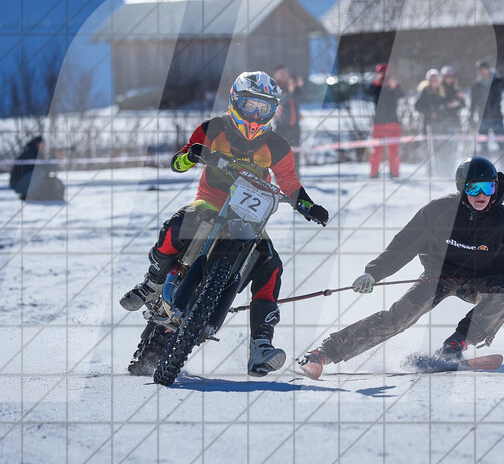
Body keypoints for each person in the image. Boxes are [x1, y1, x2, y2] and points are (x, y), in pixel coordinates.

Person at [119, 71, 330, 377]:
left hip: (250, 217)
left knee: (271, 265)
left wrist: (310, 207)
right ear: (235, 102)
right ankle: (153, 281)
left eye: (263, 107)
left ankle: (261, 346)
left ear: (273, 110)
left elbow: (291, 185)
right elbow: (178, 162)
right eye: (250, 105)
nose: (256, 114)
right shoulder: (214, 129)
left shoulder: (278, 146)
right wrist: (191, 155)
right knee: (178, 224)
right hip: (211, 201)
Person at [295, 157, 504, 379]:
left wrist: (499, 284)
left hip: (483, 280)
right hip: (439, 277)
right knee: (398, 318)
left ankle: (454, 346)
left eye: (488, 187)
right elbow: (403, 246)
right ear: (461, 188)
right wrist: (373, 272)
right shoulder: (438, 212)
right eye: (473, 187)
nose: (482, 194)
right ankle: (323, 354)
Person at [366, 63, 404, 178]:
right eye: (381, 73)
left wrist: (393, 85)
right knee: (376, 151)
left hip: (393, 123)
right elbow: (367, 93)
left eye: (385, 73)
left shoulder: (392, 86)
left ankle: (394, 173)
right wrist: (375, 82)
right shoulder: (376, 87)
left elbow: (401, 95)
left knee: (394, 151)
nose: (383, 76)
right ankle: (374, 173)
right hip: (378, 123)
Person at [9, 135, 65, 202]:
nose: (44, 147)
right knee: (41, 172)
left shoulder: (37, 153)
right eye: (42, 144)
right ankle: (31, 195)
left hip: (25, 182)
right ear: (38, 144)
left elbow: (48, 169)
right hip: (19, 184)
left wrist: (56, 159)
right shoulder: (30, 153)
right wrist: (54, 157)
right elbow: (43, 168)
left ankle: (34, 195)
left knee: (47, 177)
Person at [415, 68, 448, 177]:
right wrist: (429, 113)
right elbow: (417, 106)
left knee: (440, 149)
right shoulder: (425, 91)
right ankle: (429, 172)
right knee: (428, 150)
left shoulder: (442, 91)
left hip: (440, 124)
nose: (434, 81)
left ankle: (441, 171)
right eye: (432, 79)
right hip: (428, 124)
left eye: (436, 79)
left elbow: (445, 106)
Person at [470, 59, 504, 157]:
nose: (481, 72)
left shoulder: (497, 82)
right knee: (483, 145)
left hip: (496, 117)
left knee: (501, 143)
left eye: (483, 69)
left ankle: (503, 166)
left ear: (488, 70)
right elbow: (473, 103)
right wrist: (471, 118)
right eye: (479, 70)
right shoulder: (476, 86)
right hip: (483, 118)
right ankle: (486, 166)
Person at [273, 66, 301, 150]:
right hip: (282, 127)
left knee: (296, 152)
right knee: (281, 152)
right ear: (276, 75)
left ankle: (296, 163)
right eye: (281, 74)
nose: (284, 76)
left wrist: (299, 86)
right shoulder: (274, 87)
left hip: (295, 126)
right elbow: (280, 101)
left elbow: (302, 99)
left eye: (285, 73)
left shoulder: (291, 86)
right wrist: (289, 91)